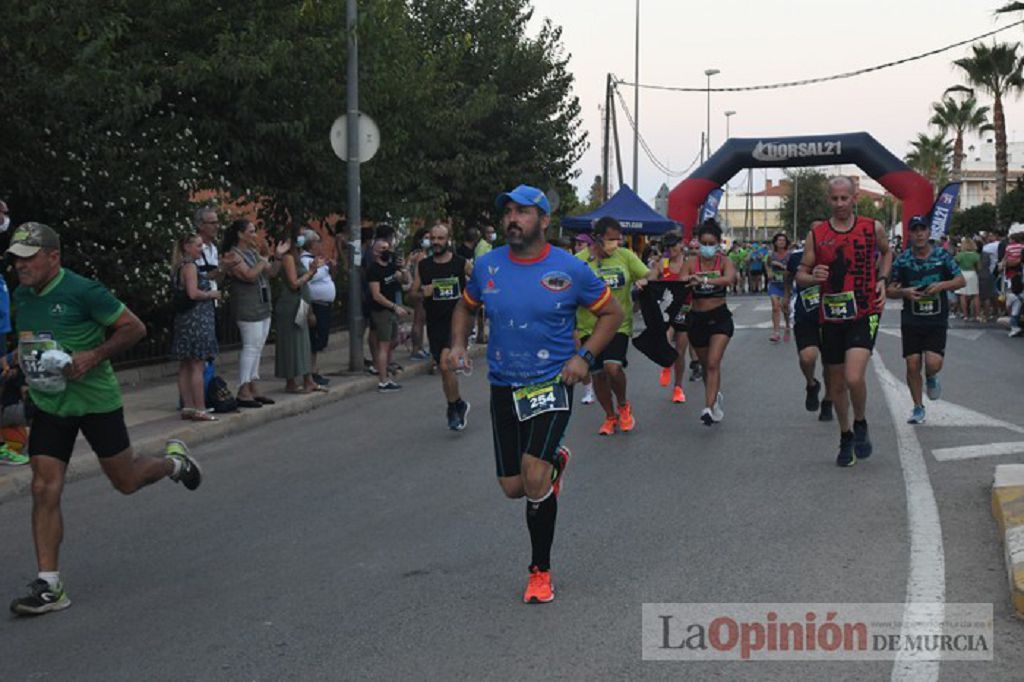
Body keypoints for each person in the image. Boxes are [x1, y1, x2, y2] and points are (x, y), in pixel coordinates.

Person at [6, 223, 201, 616]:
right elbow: (32, 340)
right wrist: (14, 361)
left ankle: (174, 462)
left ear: (53, 257)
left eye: (28, 258)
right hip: (50, 404)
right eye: (15, 259)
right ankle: (49, 585)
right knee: (44, 487)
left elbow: (134, 328)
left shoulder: (83, 290)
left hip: (96, 400)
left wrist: (92, 356)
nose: (20, 266)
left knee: (125, 481)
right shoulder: (22, 295)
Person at [448, 184, 622, 605]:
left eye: (522, 212)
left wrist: (584, 356)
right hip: (504, 385)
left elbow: (612, 313)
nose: (512, 218)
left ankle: (539, 572)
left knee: (534, 475)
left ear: (544, 221)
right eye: (507, 211)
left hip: (551, 383)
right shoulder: (487, 266)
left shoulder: (572, 269)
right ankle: (557, 462)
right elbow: (465, 306)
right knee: (513, 487)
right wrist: (456, 344)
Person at [796, 176, 892, 467]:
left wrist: (883, 281)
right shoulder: (818, 234)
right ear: (829, 200)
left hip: (864, 312)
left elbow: (887, 253)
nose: (840, 204)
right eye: (834, 199)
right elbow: (801, 273)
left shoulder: (871, 227)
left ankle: (861, 421)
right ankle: (846, 433)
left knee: (853, 377)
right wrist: (813, 277)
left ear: (855, 198)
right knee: (836, 383)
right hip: (831, 316)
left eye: (844, 198)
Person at [577, 216, 656, 436]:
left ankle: (623, 405)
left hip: (618, 325)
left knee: (613, 367)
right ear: (598, 238)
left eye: (618, 239)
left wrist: (645, 281)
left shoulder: (626, 256)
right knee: (599, 374)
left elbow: (651, 274)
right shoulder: (580, 261)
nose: (615, 244)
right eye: (611, 239)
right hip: (588, 327)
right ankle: (610, 416)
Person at [887, 217, 965, 424]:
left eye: (923, 230)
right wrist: (904, 291)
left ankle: (931, 377)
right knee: (912, 364)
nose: (919, 234)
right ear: (910, 234)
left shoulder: (942, 256)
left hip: (936, 318)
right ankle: (917, 407)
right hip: (912, 318)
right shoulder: (902, 260)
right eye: (915, 230)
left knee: (933, 362)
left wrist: (941, 286)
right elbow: (889, 290)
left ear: (929, 233)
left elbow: (961, 280)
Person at [414, 223, 472, 429]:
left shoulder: (460, 263)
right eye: (434, 238)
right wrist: (423, 291)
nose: (437, 242)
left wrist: (473, 301)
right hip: (435, 323)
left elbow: (480, 283)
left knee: (447, 363)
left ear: (448, 240)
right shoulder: (424, 265)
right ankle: (456, 404)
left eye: (441, 238)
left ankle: (453, 407)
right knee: (444, 368)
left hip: (457, 322)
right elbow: (412, 293)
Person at [223, 219, 284, 407]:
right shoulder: (234, 255)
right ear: (241, 234)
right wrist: (263, 260)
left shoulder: (253, 252)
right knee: (250, 346)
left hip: (262, 305)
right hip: (247, 307)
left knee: (258, 346)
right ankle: (242, 390)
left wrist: (277, 256)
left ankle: (252, 385)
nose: (255, 235)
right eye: (251, 231)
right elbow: (249, 275)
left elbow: (272, 272)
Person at [684, 220, 737, 425]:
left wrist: (704, 280)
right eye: (703, 242)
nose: (707, 247)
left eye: (711, 243)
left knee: (714, 362)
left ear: (718, 243)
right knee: (706, 365)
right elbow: (680, 284)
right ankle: (714, 398)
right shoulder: (690, 263)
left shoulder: (724, 261)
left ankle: (707, 407)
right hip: (697, 318)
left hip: (719, 317)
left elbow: (729, 279)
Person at [170, 234, 221, 421]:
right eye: (198, 246)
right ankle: (200, 407)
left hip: (184, 320)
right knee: (197, 365)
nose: (201, 249)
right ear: (187, 247)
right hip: (196, 320)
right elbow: (193, 293)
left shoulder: (178, 267)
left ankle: (188, 406)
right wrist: (211, 294)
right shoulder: (190, 266)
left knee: (185, 364)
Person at [275, 226, 326, 394]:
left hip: (301, 303)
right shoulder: (288, 257)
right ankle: (292, 380)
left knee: (303, 341)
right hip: (291, 304)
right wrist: (311, 272)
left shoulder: (297, 257)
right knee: (292, 341)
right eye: (300, 236)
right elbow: (294, 284)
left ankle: (307, 379)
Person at [786, 243, 833, 421]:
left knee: (831, 365)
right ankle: (811, 384)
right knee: (807, 356)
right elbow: (789, 276)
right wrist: (786, 295)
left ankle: (828, 401)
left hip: (832, 317)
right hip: (806, 316)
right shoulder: (797, 258)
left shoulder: (835, 255)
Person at [366, 235, 412, 391]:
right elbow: (376, 295)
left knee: (393, 341)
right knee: (384, 346)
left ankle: (384, 370)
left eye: (388, 248)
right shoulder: (374, 270)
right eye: (383, 249)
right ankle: (383, 380)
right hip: (382, 311)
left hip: (391, 310)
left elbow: (405, 281)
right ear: (376, 252)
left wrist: (403, 268)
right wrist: (394, 307)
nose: (387, 251)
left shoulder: (391, 266)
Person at [655, 233, 690, 403]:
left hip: (685, 309)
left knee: (680, 352)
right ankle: (666, 364)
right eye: (668, 247)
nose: (671, 250)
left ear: (681, 244)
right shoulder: (663, 264)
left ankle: (678, 387)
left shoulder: (689, 263)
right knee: (665, 340)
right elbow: (650, 277)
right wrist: (644, 282)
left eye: (674, 246)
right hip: (668, 309)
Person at [299, 229, 337, 385]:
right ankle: (309, 372)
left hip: (324, 304)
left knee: (319, 340)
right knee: (313, 340)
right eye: (318, 242)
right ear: (311, 244)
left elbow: (327, 278)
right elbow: (305, 284)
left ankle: (313, 370)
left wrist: (332, 267)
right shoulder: (305, 261)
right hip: (315, 305)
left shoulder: (317, 260)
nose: (321, 245)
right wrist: (310, 312)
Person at [572, 233, 597, 405]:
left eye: (582, 243)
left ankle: (600, 386)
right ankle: (589, 389)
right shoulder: (574, 262)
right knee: (580, 354)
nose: (578, 246)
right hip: (578, 319)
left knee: (602, 365)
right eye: (577, 243)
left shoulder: (596, 263)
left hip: (599, 320)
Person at [406, 227, 431, 361]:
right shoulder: (420, 255)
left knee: (419, 319)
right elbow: (418, 273)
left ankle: (419, 347)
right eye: (426, 238)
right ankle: (417, 349)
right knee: (419, 320)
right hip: (419, 289)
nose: (429, 240)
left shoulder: (413, 253)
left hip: (413, 288)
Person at [766, 232, 792, 343]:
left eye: (783, 240)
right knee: (775, 307)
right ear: (775, 242)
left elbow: (793, 269)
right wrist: (769, 272)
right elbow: (767, 264)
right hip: (775, 284)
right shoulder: (771, 255)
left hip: (786, 285)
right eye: (779, 240)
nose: (781, 242)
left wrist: (781, 266)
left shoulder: (790, 255)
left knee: (784, 307)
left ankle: (787, 324)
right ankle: (776, 332)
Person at [1002, 224, 1024, 337]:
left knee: (1012, 300)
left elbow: (1005, 260)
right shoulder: (1021, 248)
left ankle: (1014, 324)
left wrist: (1004, 264)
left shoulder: (1009, 247)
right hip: (1017, 276)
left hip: (1013, 276)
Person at [954, 237, 981, 321]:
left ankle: (965, 315)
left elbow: (954, 264)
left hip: (962, 273)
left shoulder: (960, 255)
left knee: (963, 295)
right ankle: (977, 315)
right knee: (975, 295)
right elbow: (979, 267)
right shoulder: (976, 255)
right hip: (972, 274)